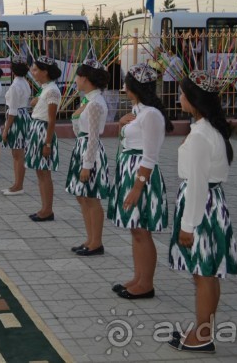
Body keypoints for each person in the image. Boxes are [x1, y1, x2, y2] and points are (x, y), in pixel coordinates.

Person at [168, 71, 237, 353]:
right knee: (206, 273)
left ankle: (203, 335)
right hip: (210, 203)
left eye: (183, 94)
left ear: (195, 100)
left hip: (202, 207)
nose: (179, 98)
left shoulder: (200, 136)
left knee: (203, 274)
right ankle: (201, 329)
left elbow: (197, 183)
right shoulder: (208, 129)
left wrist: (188, 225)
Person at [107, 63, 173, 299]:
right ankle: (138, 278)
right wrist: (123, 124)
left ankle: (146, 284)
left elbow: (150, 154)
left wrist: (137, 187)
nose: (123, 87)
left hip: (141, 175)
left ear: (133, 86)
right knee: (135, 230)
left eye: (126, 83)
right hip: (130, 171)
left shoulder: (151, 115)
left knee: (142, 230)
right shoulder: (139, 112)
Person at [65, 59, 111, 256]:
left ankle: (96, 242)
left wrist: (87, 165)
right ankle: (90, 238)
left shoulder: (95, 103)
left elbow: (93, 136)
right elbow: (79, 130)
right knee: (82, 196)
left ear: (86, 79)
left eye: (78, 76)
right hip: (83, 147)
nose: (76, 80)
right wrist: (76, 116)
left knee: (91, 198)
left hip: (89, 151)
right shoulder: (90, 101)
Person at [25, 56, 61, 222]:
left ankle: (48, 210)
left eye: (36, 70)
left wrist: (47, 143)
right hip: (37, 128)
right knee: (40, 172)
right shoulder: (46, 88)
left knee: (44, 173)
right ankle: (44, 207)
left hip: (43, 131)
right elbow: (35, 103)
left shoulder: (52, 90)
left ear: (45, 72)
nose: (34, 73)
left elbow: (52, 120)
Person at [1, 55, 31, 196]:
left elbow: (12, 111)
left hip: (17, 119)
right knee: (19, 154)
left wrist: (6, 129)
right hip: (24, 116)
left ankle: (18, 185)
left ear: (13, 69)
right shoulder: (25, 82)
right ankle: (17, 184)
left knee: (17, 154)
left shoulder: (15, 86)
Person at [162, 48, 183, 119]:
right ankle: (167, 115)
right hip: (166, 81)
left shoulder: (177, 59)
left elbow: (179, 71)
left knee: (170, 99)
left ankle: (172, 115)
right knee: (166, 99)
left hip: (172, 81)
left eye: (168, 51)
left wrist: (180, 82)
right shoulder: (171, 59)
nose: (167, 52)